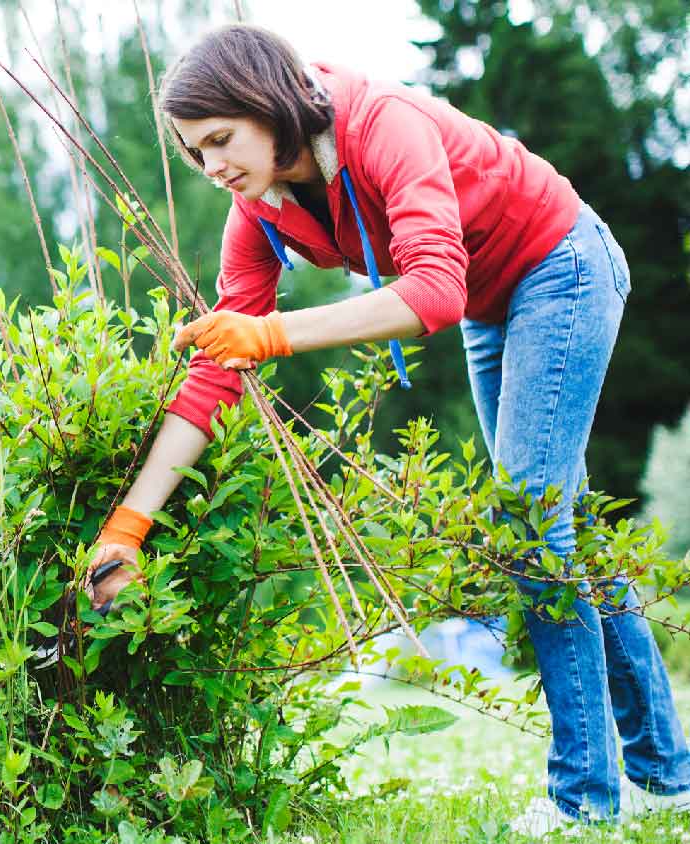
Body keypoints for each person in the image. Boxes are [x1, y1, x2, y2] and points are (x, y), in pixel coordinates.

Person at [82, 23, 690, 836]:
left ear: (270, 104)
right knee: (558, 525)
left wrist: (271, 334)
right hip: (492, 304)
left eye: (222, 140)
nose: (213, 166)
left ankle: (585, 802)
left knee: (529, 525)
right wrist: (129, 525)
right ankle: (671, 775)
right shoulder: (255, 212)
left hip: (560, 266)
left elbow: (433, 293)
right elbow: (214, 377)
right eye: (196, 154)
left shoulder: (382, 125)